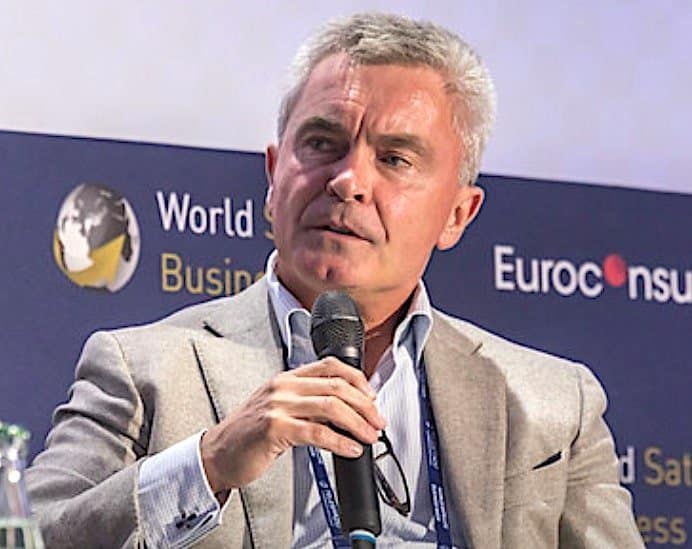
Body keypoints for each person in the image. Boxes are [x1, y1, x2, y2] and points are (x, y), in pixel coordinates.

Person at [27, 12, 644, 549]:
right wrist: (211, 462)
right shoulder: (144, 370)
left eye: (396, 159)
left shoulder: (556, 403)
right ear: (273, 177)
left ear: (458, 214)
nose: (348, 181)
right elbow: (36, 534)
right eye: (322, 142)